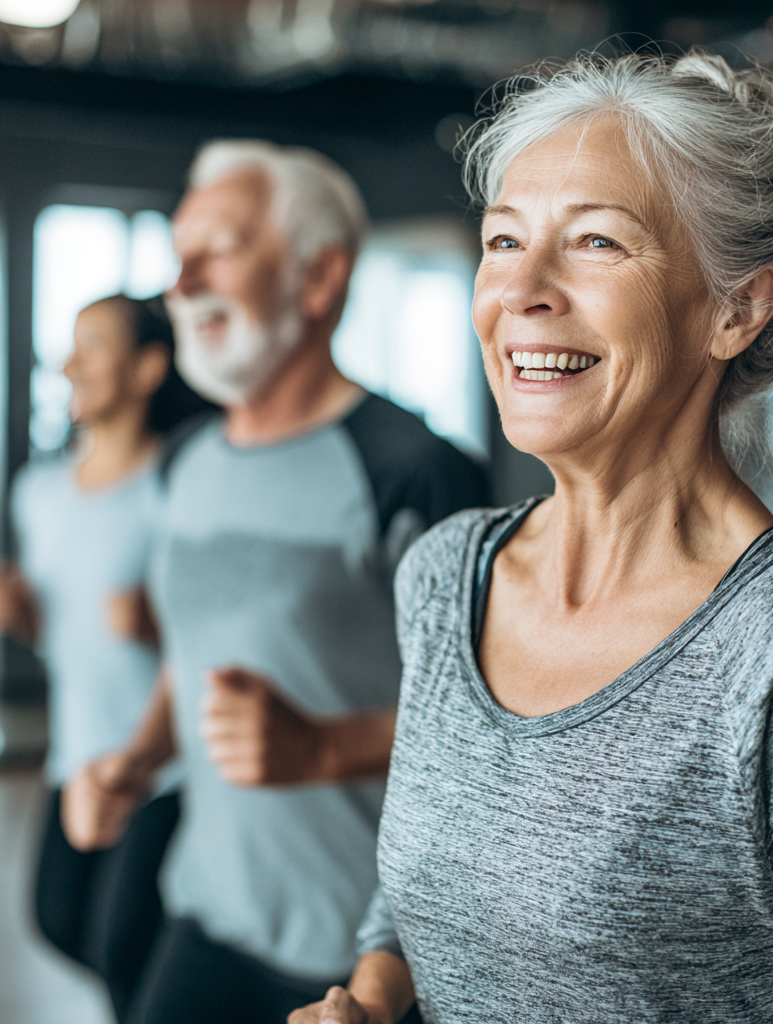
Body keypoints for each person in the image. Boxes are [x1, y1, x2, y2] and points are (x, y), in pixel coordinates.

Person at [290, 53, 773, 1024]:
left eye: (594, 242)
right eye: (503, 240)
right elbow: (451, 858)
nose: (523, 290)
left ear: (736, 308)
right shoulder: (446, 572)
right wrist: (377, 994)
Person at [61, 140, 489, 1024]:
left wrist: (325, 748)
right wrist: (140, 758)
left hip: (360, 958)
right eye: (178, 254)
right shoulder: (185, 460)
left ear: (319, 277)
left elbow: (488, 726)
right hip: (206, 905)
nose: (181, 281)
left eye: (218, 247)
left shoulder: (412, 468)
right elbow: (198, 644)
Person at [0, 294, 212, 1020]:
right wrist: (22, 619)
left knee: (121, 942)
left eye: (92, 346)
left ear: (148, 367)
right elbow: (64, 637)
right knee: (58, 920)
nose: (69, 365)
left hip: (163, 767)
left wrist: (157, 625)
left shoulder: (177, 485)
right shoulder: (38, 495)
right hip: (75, 756)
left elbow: (215, 635)